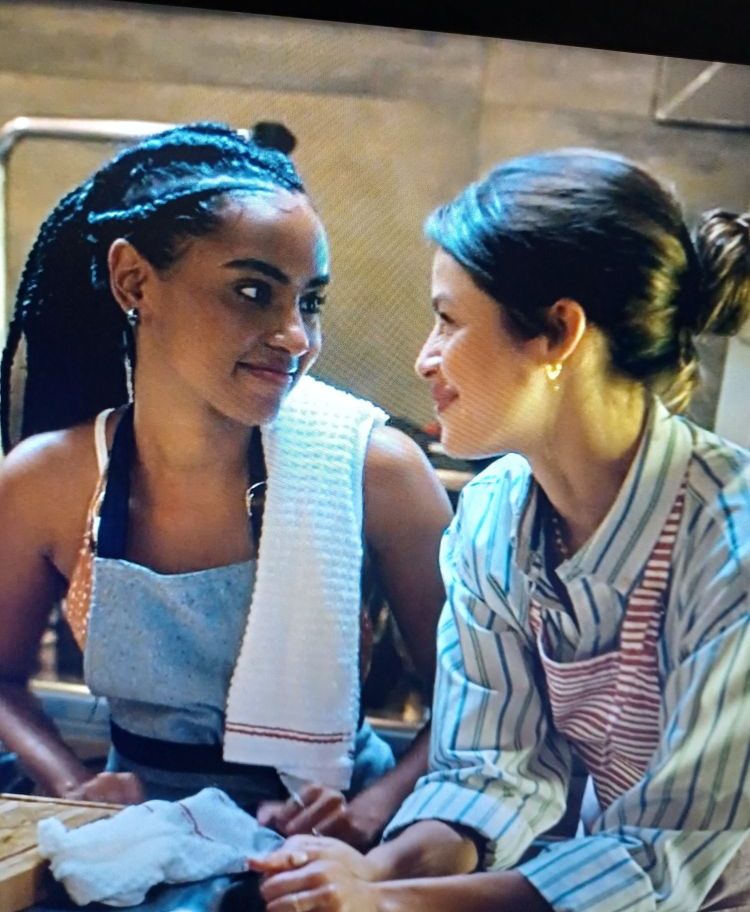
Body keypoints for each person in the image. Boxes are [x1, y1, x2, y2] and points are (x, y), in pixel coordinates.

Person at [253, 148, 750, 911]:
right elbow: (491, 775)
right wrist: (365, 871)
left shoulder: (729, 545)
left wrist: (385, 903)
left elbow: (664, 855)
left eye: (448, 319)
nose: (424, 358)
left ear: (558, 333)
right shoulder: (493, 517)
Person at [0, 121, 452, 852]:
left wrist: (371, 810)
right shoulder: (47, 482)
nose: (296, 335)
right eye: (252, 291)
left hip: (332, 853)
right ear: (134, 281)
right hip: (139, 842)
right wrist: (73, 786)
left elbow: (478, 706)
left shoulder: (380, 473)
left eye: (310, 302)